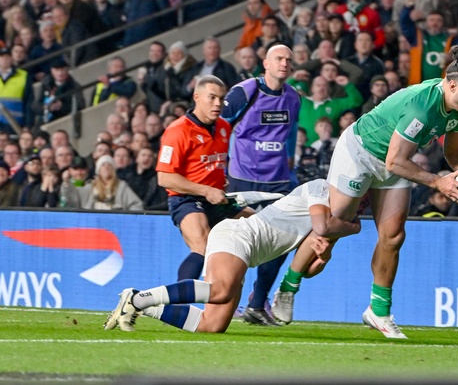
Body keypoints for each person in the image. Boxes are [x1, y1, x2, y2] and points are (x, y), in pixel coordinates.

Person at [307, 45, 458, 339]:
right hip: (361, 151)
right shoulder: (422, 106)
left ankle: (378, 311)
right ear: (453, 85)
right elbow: (395, 161)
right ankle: (287, 285)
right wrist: (438, 182)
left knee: (393, 236)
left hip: (394, 161)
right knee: (331, 227)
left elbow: (455, 155)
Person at [103, 178, 361, 333]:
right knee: (221, 290)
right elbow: (320, 227)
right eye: (361, 196)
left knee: (211, 325)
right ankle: (138, 299)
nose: (361, 203)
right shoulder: (321, 188)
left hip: (247, 253)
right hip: (238, 234)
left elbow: (307, 268)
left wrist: (323, 257)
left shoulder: (335, 221)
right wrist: (354, 228)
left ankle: (140, 303)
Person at [220, 44, 301, 326]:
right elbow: (220, 127)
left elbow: (291, 133)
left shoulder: (293, 97)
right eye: (278, 58)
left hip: (277, 181)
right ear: (265, 63)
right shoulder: (244, 92)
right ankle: (225, 299)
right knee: (235, 242)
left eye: (288, 60)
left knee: (281, 242)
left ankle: (257, 303)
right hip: (241, 178)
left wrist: (290, 165)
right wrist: (219, 168)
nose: (284, 63)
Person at [156, 75, 253, 283]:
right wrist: (206, 190)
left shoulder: (224, 127)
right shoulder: (177, 131)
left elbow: (214, 162)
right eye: (212, 97)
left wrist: (219, 181)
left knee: (259, 226)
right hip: (187, 199)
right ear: (197, 97)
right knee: (203, 246)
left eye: (221, 98)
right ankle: (179, 298)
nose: (218, 103)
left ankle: (255, 294)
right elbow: (164, 178)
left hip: (218, 198)